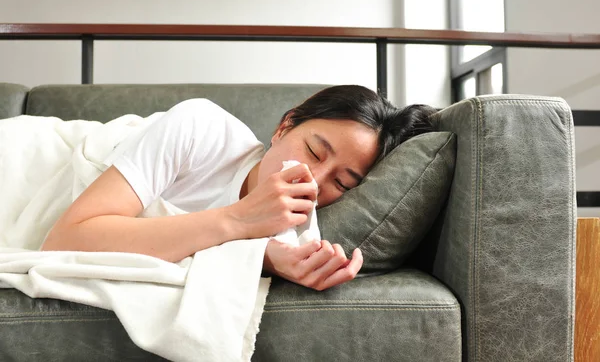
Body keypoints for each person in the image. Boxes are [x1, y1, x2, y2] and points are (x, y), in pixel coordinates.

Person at [41, 85, 437, 291]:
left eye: (342, 182)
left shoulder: (295, 231)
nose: (313, 181)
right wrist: (237, 220)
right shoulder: (200, 127)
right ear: (285, 126)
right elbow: (65, 239)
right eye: (315, 151)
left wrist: (263, 256)